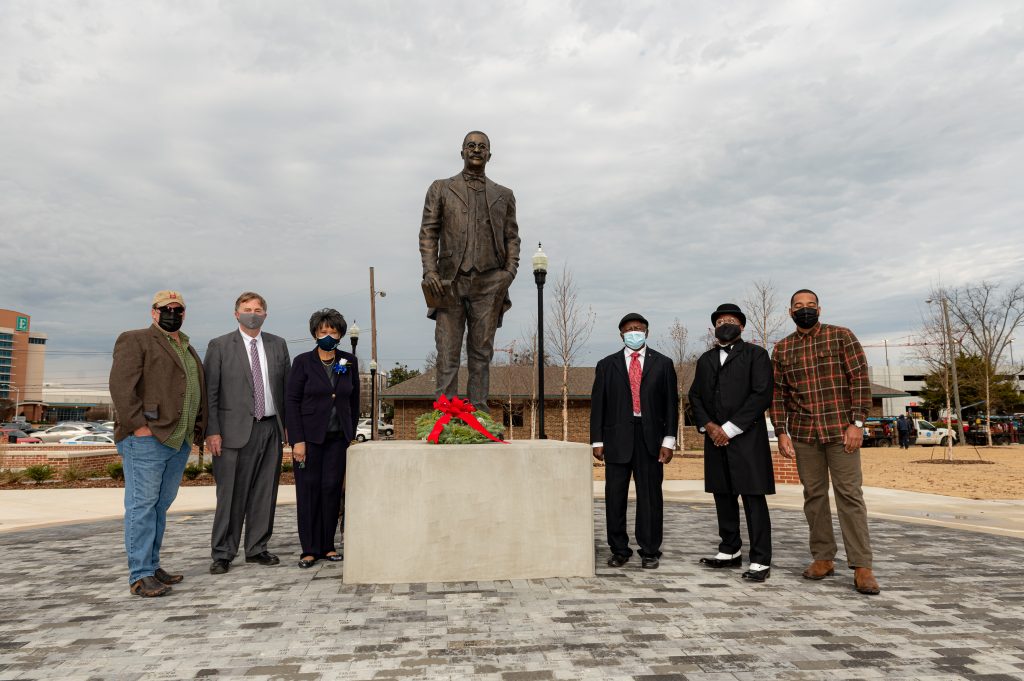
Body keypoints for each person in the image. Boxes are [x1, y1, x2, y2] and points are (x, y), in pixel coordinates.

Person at [770, 289, 881, 595]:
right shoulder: (781, 349)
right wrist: (781, 430)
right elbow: (778, 395)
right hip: (805, 434)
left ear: (819, 308)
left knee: (849, 495)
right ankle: (823, 557)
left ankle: (862, 566)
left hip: (841, 431)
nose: (804, 309)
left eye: (810, 305)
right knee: (814, 496)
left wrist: (858, 423)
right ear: (790, 312)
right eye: (798, 306)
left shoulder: (841, 337)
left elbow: (859, 379)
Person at [108, 290, 207, 597]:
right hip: (147, 439)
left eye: (178, 309)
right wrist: (139, 426)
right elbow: (121, 387)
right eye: (166, 308)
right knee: (141, 506)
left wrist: (197, 431)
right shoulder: (135, 339)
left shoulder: (186, 347)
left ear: (184, 313)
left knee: (159, 507)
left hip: (177, 441)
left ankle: (151, 565)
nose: (172, 313)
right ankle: (140, 575)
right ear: (153, 312)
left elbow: (193, 390)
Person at [419, 130, 521, 408]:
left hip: (490, 282)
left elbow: (512, 238)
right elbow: (428, 232)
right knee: (447, 351)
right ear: (462, 151)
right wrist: (430, 272)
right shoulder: (441, 188)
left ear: (490, 154)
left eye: (482, 146)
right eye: (471, 145)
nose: (476, 150)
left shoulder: (504, 195)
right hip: (449, 282)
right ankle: (445, 411)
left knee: (481, 353)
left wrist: (508, 274)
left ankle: (478, 411)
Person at [204, 292, 291, 575]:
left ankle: (257, 548)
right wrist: (212, 431)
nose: (252, 313)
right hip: (231, 434)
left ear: (265, 314)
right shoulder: (219, 346)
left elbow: (287, 391)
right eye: (246, 309)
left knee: (265, 492)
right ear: (236, 313)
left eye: (257, 309)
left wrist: (288, 426)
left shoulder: (278, 345)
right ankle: (223, 553)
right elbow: (210, 395)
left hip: (270, 428)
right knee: (230, 495)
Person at [689, 304, 775, 582]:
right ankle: (730, 549)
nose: (725, 323)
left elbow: (761, 394)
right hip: (715, 439)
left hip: (747, 438)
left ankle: (760, 559)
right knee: (722, 495)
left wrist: (729, 428)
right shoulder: (705, 359)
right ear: (714, 327)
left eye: (732, 320)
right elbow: (696, 397)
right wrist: (711, 426)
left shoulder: (756, 355)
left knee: (753, 498)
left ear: (741, 326)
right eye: (720, 320)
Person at [591, 313, 678, 569]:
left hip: (651, 439)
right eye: (629, 329)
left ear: (647, 332)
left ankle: (650, 550)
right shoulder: (607, 365)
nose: (634, 332)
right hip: (617, 438)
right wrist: (597, 440)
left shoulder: (663, 363)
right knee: (614, 496)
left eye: (639, 328)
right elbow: (598, 405)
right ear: (621, 335)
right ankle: (619, 549)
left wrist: (669, 440)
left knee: (650, 496)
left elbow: (671, 405)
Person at [285, 308, 359, 569]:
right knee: (309, 491)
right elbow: (291, 402)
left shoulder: (348, 361)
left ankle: (327, 546)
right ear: (315, 333)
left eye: (333, 331)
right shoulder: (302, 362)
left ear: (340, 334)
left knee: (330, 491)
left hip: (338, 439)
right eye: (323, 331)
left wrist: (351, 433)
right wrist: (297, 441)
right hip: (309, 440)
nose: (328, 335)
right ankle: (309, 549)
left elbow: (354, 400)